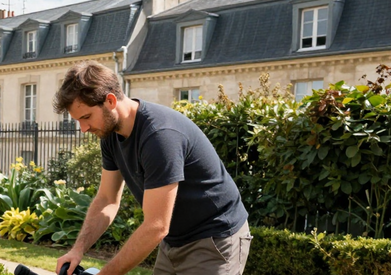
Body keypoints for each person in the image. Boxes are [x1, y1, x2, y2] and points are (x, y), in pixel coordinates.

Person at [52, 61, 251, 275]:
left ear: (110, 101)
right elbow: (107, 200)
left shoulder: (159, 136)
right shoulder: (110, 135)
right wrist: (77, 250)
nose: (83, 129)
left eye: (86, 117)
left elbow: (156, 226)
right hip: (173, 242)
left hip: (215, 240)